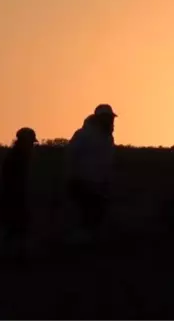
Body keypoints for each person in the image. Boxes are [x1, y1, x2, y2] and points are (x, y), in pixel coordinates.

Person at [65, 104, 117, 243]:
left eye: (111, 118)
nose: (111, 121)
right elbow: (71, 156)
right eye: (108, 118)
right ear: (99, 118)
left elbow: (107, 162)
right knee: (85, 220)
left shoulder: (108, 138)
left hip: (99, 186)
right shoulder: (83, 135)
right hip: (83, 184)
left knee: (95, 221)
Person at [0, 127, 38, 254]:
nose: (32, 146)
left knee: (15, 229)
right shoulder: (17, 158)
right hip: (14, 198)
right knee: (16, 228)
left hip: (15, 197)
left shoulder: (18, 156)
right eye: (30, 142)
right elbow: (14, 181)